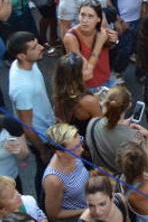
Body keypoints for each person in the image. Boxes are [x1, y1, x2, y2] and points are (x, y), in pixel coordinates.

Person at [7, 32, 51, 202]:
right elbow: (27, 126)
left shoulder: (28, 63)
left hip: (48, 126)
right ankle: (43, 204)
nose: (41, 47)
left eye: (38, 43)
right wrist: (43, 150)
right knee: (45, 171)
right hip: (41, 137)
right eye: (34, 47)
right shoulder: (22, 87)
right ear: (21, 55)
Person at [42, 123, 89, 222]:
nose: (81, 149)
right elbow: (53, 215)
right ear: (59, 152)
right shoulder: (54, 180)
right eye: (76, 148)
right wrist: (86, 210)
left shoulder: (73, 156)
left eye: (80, 142)